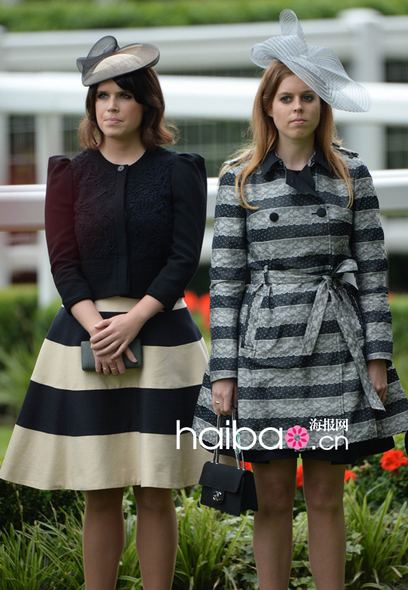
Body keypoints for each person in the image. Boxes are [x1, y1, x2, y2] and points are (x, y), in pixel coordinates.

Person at [193, 10, 408, 590]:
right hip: (264, 361)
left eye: (309, 98)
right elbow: (227, 281)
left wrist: (378, 357)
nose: (297, 107)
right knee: (269, 498)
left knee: (323, 494)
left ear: (322, 107)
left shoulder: (350, 175)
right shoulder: (238, 179)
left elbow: (371, 268)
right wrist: (224, 371)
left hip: (334, 352)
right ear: (268, 106)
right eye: (286, 97)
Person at [0, 35, 209, 590]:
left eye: (123, 95)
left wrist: (133, 321)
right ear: (91, 106)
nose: (111, 106)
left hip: (161, 337)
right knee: (100, 488)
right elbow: (62, 262)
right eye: (101, 96)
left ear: (147, 104)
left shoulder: (180, 170)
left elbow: (183, 259)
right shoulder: (68, 173)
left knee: (156, 487)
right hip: (84, 337)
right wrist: (100, 329)